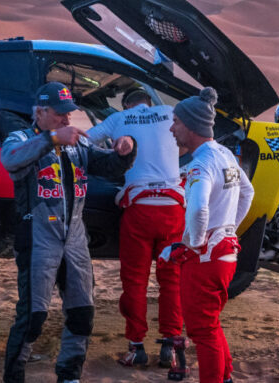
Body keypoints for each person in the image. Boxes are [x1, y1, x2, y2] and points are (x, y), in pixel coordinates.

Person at [0, 81, 137, 383]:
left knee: (82, 313)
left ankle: (70, 375)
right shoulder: (21, 137)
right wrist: (51, 138)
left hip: (75, 239)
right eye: (60, 114)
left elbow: (108, 165)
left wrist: (126, 149)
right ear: (40, 112)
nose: (67, 119)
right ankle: (13, 377)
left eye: (69, 114)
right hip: (38, 240)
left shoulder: (78, 142)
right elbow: (9, 159)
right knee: (32, 319)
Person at [86, 87, 185, 368]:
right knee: (172, 280)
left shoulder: (118, 119)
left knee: (135, 282)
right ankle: (170, 346)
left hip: (139, 208)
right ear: (149, 102)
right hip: (173, 208)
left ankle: (136, 347)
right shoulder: (168, 112)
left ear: (126, 104)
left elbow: (85, 142)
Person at [162, 87, 253, 383]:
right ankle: (224, 377)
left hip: (207, 259)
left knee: (202, 330)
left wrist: (193, 244)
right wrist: (228, 228)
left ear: (191, 125)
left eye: (176, 121)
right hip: (225, 252)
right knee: (210, 325)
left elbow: (199, 209)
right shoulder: (224, 154)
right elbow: (247, 193)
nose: (172, 128)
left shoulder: (201, 164)